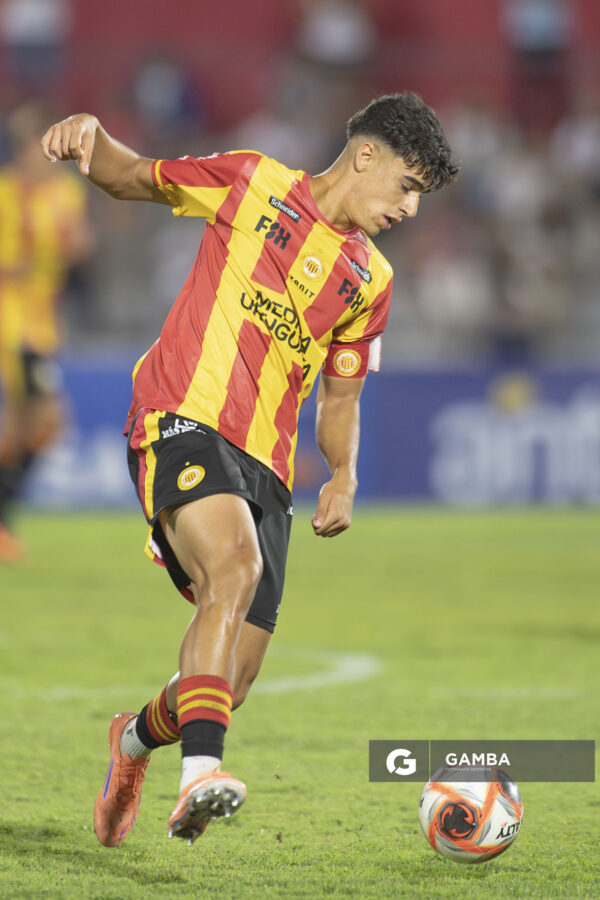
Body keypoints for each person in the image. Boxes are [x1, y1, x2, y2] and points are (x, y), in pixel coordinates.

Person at [41, 92, 458, 847]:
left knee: (231, 682)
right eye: (407, 185)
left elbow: (341, 394)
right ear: (367, 156)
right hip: (180, 415)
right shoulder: (252, 182)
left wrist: (342, 473)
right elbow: (132, 176)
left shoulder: (371, 281)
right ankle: (201, 773)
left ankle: (131, 743)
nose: (411, 208)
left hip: (265, 466)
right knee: (231, 569)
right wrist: (91, 135)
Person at [0, 103, 93, 561]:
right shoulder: (4, 194)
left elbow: (78, 242)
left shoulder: (65, 194)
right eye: (32, 151)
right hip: (12, 323)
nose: (41, 161)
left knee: (21, 429)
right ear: (18, 152)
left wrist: (75, 245)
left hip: (43, 322)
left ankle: (2, 523)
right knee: (48, 420)